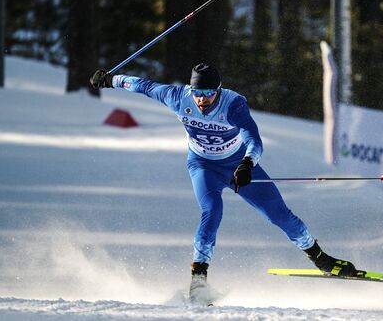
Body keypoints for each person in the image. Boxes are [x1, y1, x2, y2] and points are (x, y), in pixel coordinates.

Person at [90, 64, 364, 298]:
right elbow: (142, 85)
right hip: (203, 166)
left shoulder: (233, 104)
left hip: (238, 166)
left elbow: (253, 139)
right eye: (197, 93)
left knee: (280, 214)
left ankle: (321, 259)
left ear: (218, 90)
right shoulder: (178, 97)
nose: (201, 100)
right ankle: (198, 280)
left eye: (208, 94)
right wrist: (110, 80)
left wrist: (247, 163)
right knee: (212, 210)